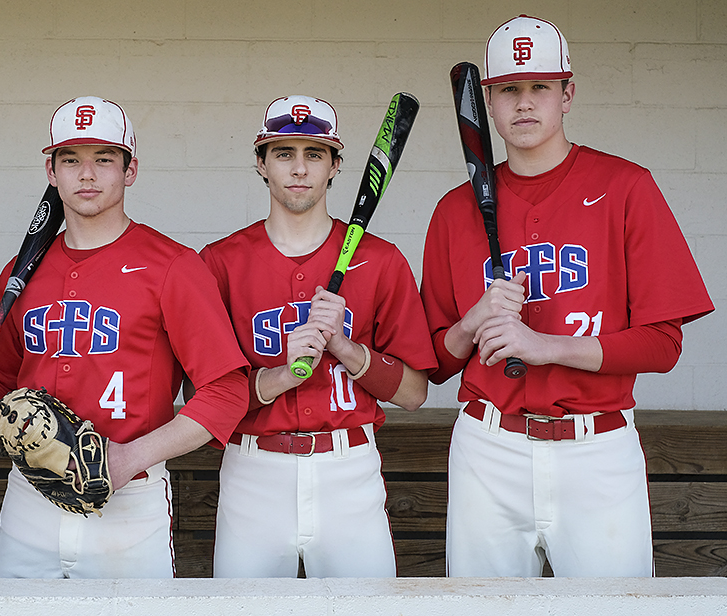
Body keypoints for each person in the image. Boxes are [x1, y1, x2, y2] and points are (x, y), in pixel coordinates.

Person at [420, 15, 715, 577]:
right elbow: (433, 363)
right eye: (508, 89)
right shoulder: (454, 210)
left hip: (598, 448)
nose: (524, 103)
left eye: (540, 88)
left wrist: (547, 346)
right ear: (488, 100)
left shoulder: (626, 187)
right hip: (489, 445)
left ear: (567, 94)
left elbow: (662, 345)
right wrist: (471, 323)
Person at [0, 96, 249, 578]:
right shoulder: (23, 273)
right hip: (29, 497)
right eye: (71, 159)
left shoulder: (172, 266)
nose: (86, 174)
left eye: (104, 159)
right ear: (51, 170)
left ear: (130, 170)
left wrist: (127, 458)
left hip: (130, 500)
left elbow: (226, 393)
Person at [199, 95, 437, 578]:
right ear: (261, 165)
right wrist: (282, 376)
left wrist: (346, 349)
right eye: (284, 153)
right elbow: (199, 397)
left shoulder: (381, 259)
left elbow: (414, 393)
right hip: (254, 471)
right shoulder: (219, 263)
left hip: (349, 469)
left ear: (335, 166)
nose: (300, 168)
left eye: (315, 153)